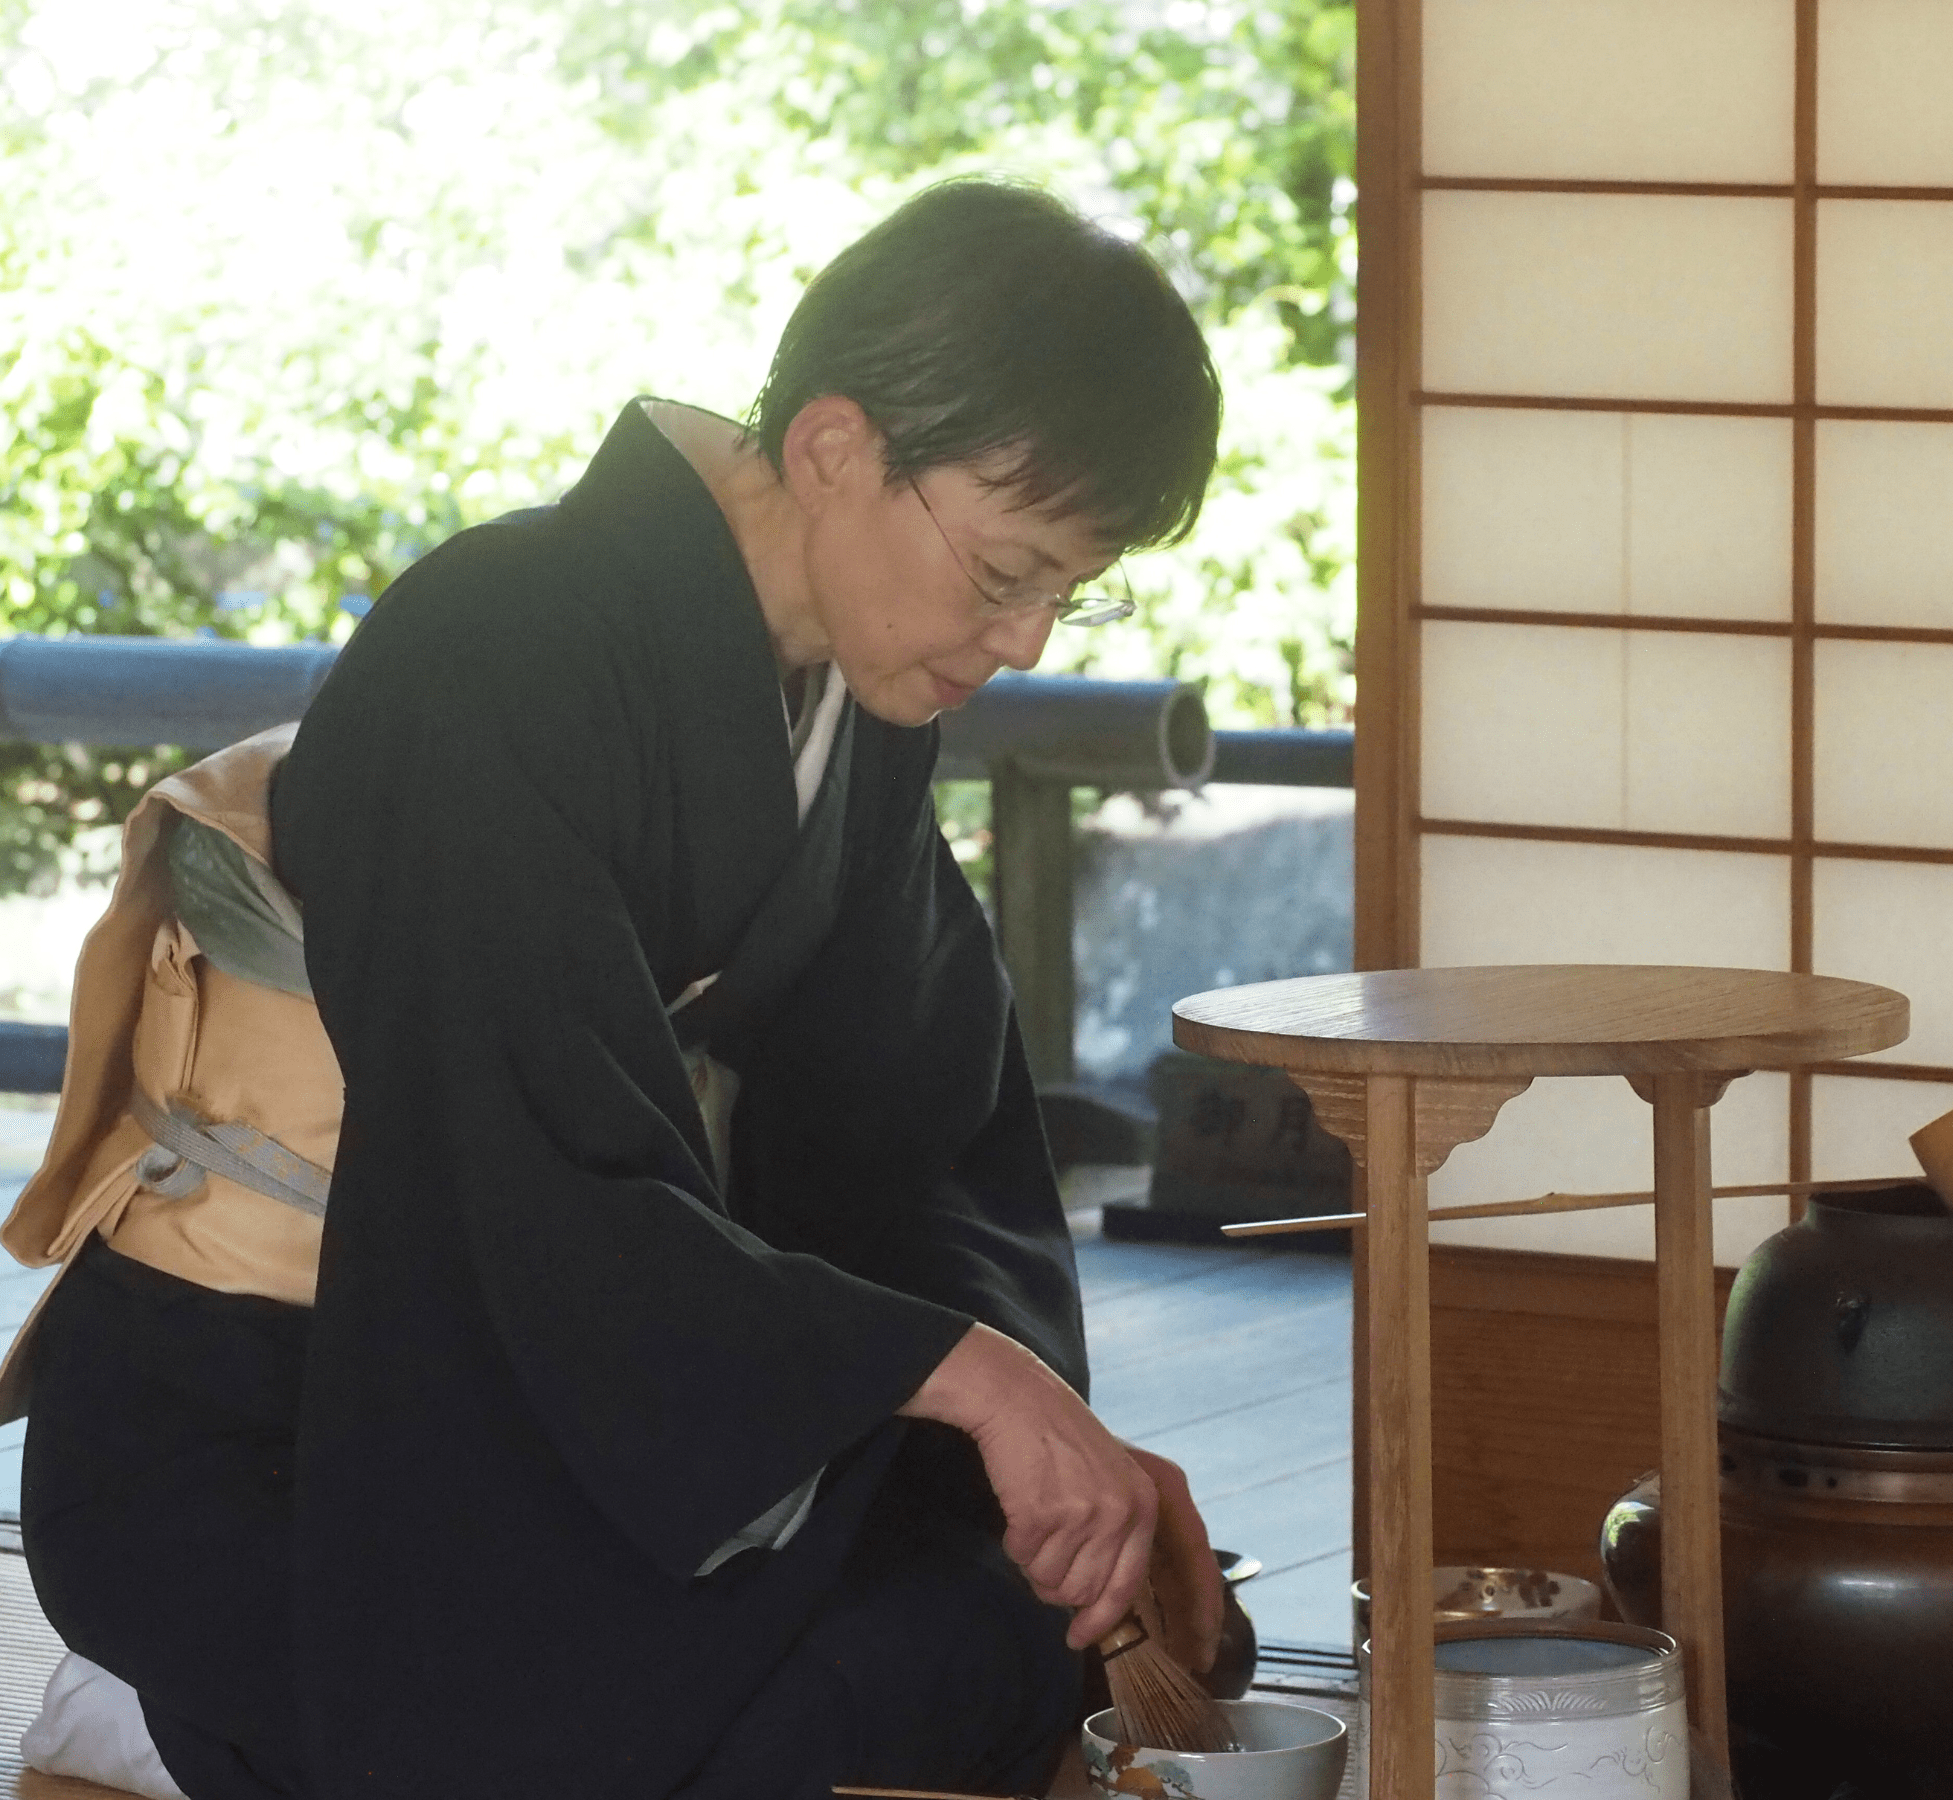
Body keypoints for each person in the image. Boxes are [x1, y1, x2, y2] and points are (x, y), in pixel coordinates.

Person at [1, 177, 1227, 1800]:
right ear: (836, 450)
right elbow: (521, 1185)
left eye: (1073, 589)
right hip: (289, 1427)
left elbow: (921, 1136)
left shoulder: (855, 717)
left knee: (1024, 1624)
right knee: (791, 1719)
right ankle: (155, 1718)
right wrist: (947, 1377)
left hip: (585, 1397)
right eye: (1007, 569)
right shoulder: (496, 652)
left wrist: (1026, 1430)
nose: (1027, 637)